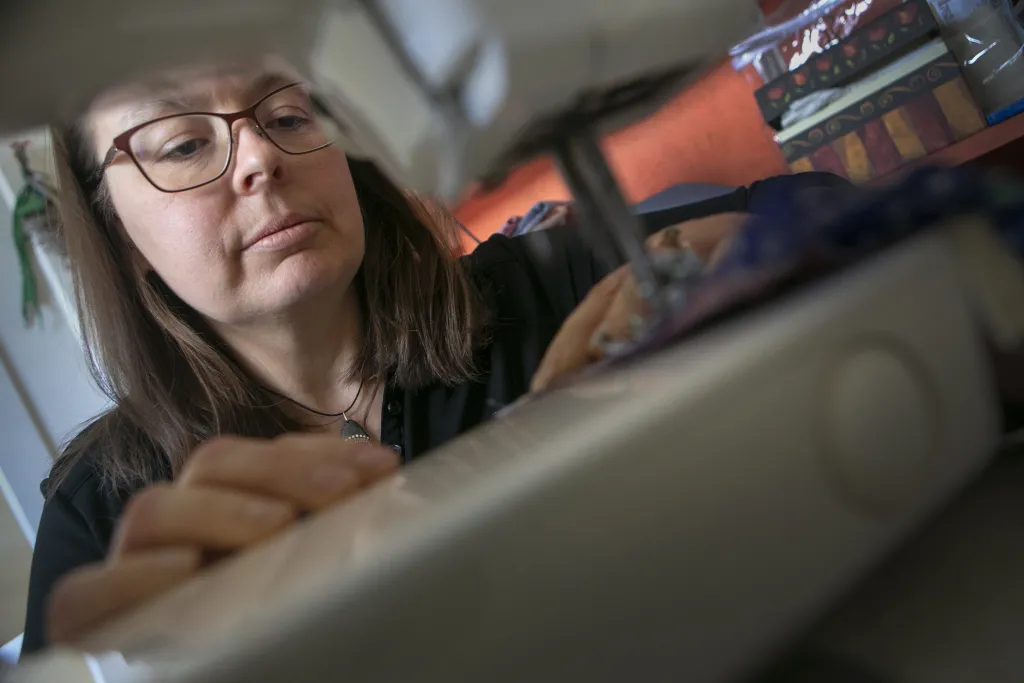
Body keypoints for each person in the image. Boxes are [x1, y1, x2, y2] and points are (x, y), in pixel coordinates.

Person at [21, 64, 831, 656]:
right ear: (121, 238)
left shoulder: (553, 286)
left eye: (290, 113)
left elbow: (841, 214)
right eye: (182, 145)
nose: (261, 157)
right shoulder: (102, 522)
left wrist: (753, 249)